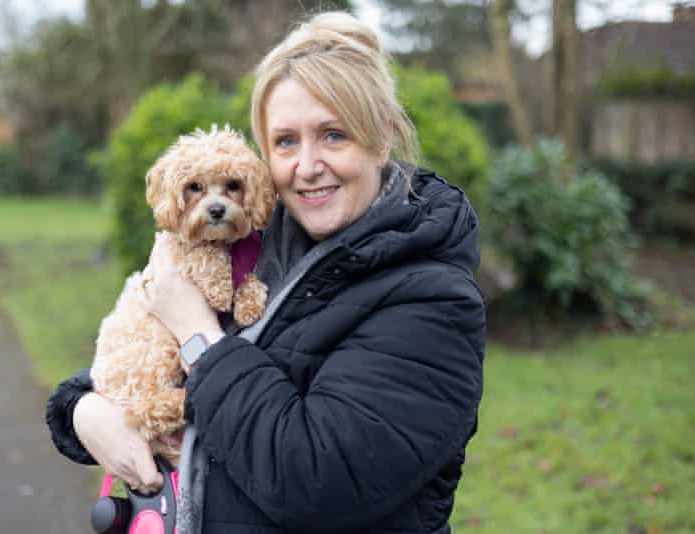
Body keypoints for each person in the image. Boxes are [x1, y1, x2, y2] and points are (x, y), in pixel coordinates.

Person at [46, 11, 485, 534]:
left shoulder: (433, 302)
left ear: (382, 137)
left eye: (333, 135)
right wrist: (82, 410)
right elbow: (141, 348)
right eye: (285, 142)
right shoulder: (259, 242)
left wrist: (196, 330)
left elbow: (312, 480)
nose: (306, 166)